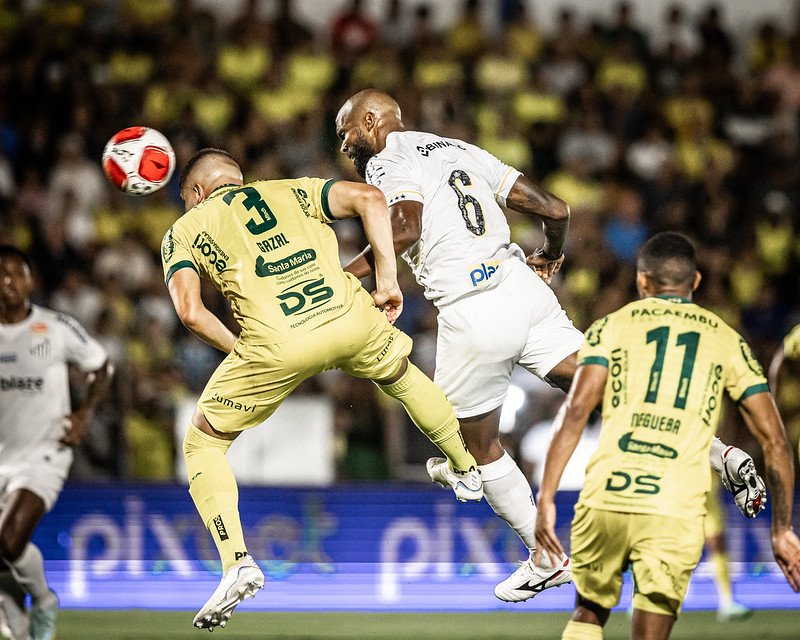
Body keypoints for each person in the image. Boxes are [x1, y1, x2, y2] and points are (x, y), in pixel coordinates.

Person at [334, 89, 764, 602]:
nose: (344, 145)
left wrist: (348, 276)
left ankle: (545, 555)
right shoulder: (458, 148)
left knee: (474, 443)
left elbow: (403, 228)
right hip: (524, 287)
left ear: (370, 120)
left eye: (346, 132)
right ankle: (721, 455)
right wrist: (550, 256)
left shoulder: (386, 160)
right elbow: (556, 209)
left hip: (473, 308)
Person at [164, 148, 482, 631]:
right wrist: (389, 281)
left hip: (276, 340)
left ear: (196, 193)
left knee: (204, 441)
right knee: (401, 375)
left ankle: (237, 561)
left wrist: (240, 350)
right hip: (347, 314)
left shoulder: (185, 228)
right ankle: (465, 468)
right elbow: (372, 199)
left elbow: (190, 312)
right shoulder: (289, 188)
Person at [534, 232, 800, 640]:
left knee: (588, 614)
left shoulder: (611, 327)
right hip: (674, 505)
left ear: (642, 282)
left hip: (608, 494)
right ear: (694, 283)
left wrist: (547, 499)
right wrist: (781, 529)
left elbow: (575, 411)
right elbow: (776, 441)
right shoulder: (726, 338)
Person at [0, 245, 113, 640]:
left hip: (46, 451)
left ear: (30, 280)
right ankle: (20, 630)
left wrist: (83, 414)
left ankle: (44, 600)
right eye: (1, 273)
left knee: (8, 540)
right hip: (2, 454)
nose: (8, 281)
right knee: (3, 554)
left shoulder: (55, 328)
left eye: (16, 273)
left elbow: (102, 367)